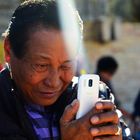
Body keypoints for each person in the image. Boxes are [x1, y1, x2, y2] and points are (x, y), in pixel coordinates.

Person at [0, 0, 132, 140]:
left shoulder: (96, 99)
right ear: (9, 50)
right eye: (41, 65)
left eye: (65, 65)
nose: (54, 82)